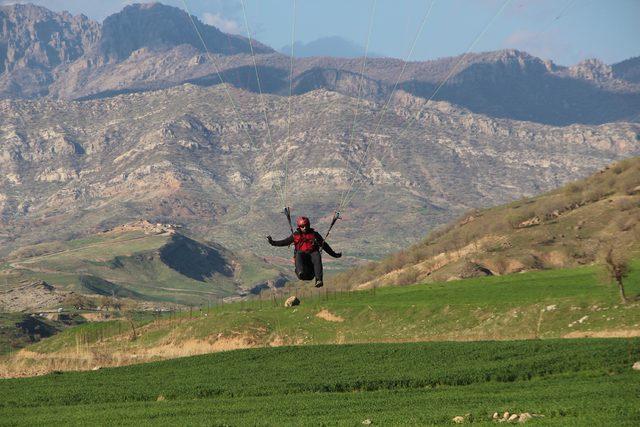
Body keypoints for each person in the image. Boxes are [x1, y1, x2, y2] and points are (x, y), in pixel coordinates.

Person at [267, 216, 342, 288]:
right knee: (299, 253)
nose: (305, 228)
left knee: (316, 254)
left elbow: (325, 246)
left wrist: (334, 255)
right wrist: (272, 242)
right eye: (302, 226)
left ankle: (318, 280)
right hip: (302, 267)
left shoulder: (314, 235)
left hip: (311, 269)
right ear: (299, 226)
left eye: (306, 226)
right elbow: (284, 242)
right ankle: (300, 272)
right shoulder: (295, 235)